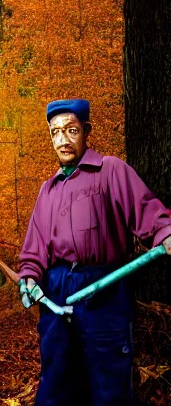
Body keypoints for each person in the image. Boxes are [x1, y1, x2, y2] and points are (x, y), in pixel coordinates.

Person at [18, 98, 171, 406]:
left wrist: (166, 233)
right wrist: (30, 278)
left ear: (86, 131)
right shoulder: (47, 191)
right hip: (57, 292)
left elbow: (150, 214)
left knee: (109, 384)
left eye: (71, 130)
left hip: (106, 289)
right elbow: (33, 251)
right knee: (56, 381)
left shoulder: (110, 171)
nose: (62, 139)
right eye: (55, 132)